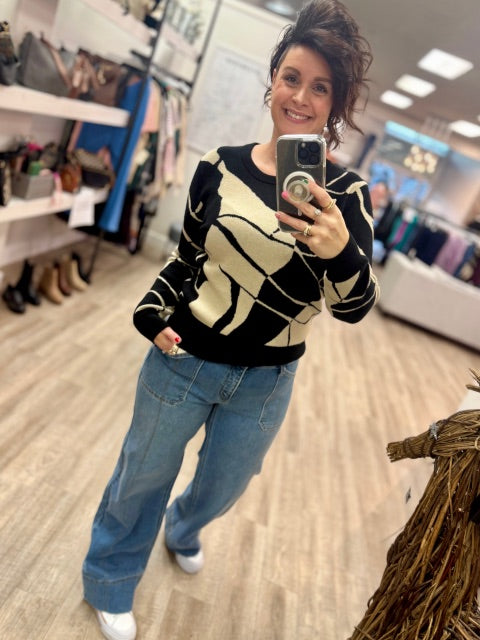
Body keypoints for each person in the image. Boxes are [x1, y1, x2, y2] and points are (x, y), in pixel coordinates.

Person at [82, 1, 379, 638]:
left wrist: (339, 250)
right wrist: (150, 309)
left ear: (335, 104)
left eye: (320, 88)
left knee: (224, 486)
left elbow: (355, 309)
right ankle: (110, 576)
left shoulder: (348, 196)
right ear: (273, 79)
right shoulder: (218, 166)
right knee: (142, 475)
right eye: (292, 78)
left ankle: (184, 526)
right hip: (184, 358)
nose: (301, 97)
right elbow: (186, 257)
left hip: (267, 382)